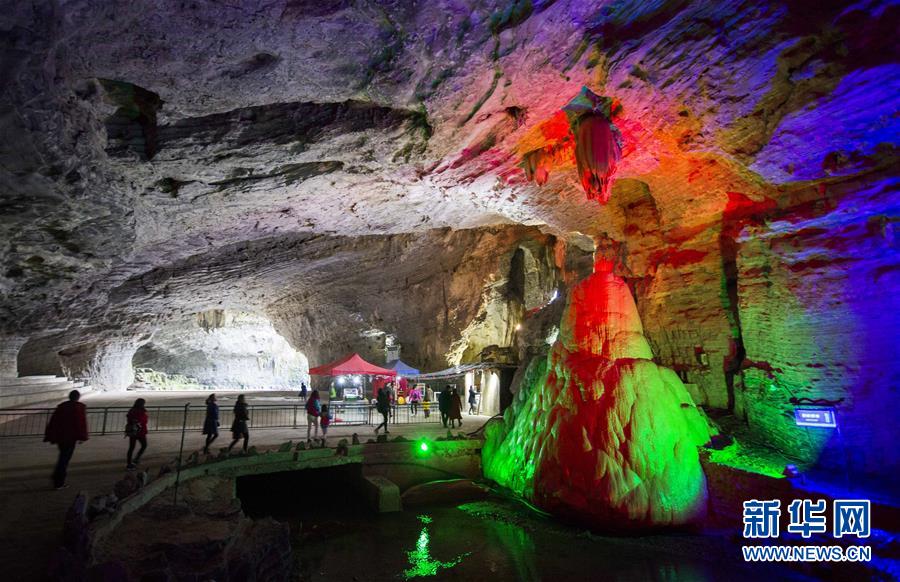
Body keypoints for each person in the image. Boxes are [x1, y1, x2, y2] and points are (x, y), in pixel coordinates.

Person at [44, 390, 89, 490]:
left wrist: (51, 435)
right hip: (70, 438)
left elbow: (54, 421)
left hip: (61, 437)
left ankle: (56, 476)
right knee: (64, 459)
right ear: (78, 397)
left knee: (62, 456)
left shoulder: (62, 406)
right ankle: (59, 481)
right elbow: (81, 423)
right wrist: (82, 437)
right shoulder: (78, 407)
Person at [125, 398, 148, 470]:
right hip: (140, 432)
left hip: (133, 431)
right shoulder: (142, 411)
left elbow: (129, 420)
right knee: (144, 445)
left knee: (131, 448)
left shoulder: (131, 411)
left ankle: (129, 463)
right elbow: (144, 421)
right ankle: (136, 459)